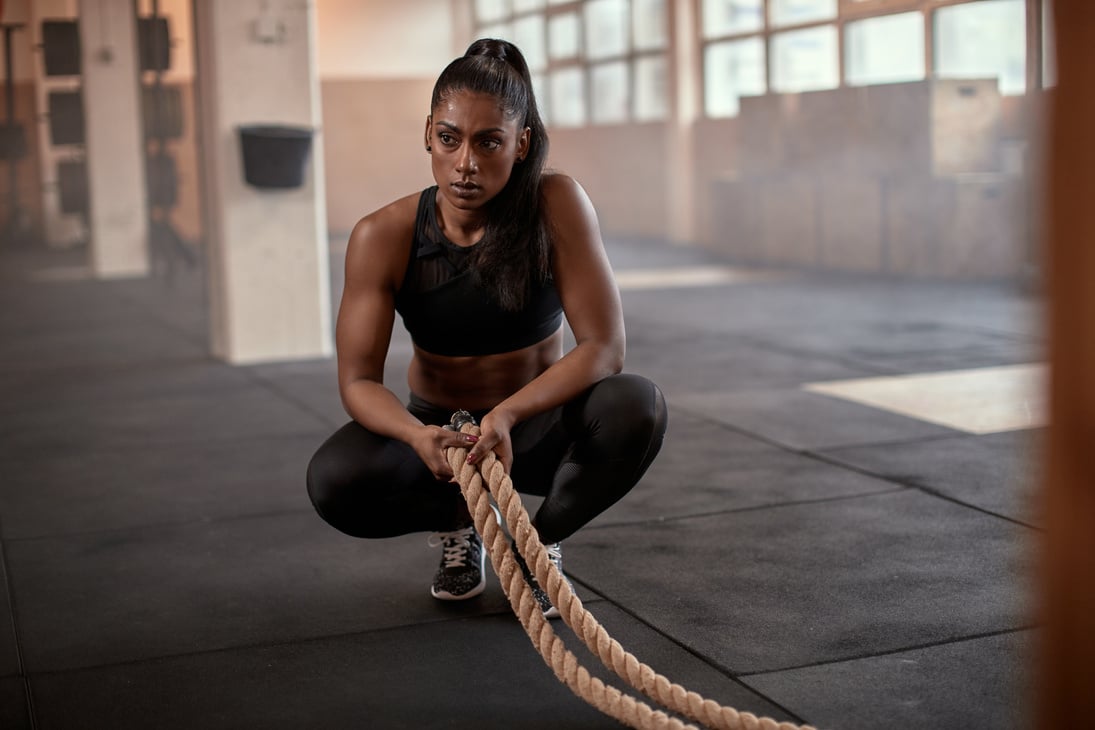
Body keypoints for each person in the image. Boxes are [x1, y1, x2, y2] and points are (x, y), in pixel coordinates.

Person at [306, 38, 667, 619]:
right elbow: (358, 383)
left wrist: (507, 415)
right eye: (449, 139)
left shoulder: (556, 204)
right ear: (428, 132)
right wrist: (418, 437)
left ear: (521, 144)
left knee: (637, 406)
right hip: (440, 434)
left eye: (488, 142)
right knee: (333, 480)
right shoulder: (384, 234)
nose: (465, 163)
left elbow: (604, 347)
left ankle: (534, 545)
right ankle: (462, 521)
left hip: (532, 427)